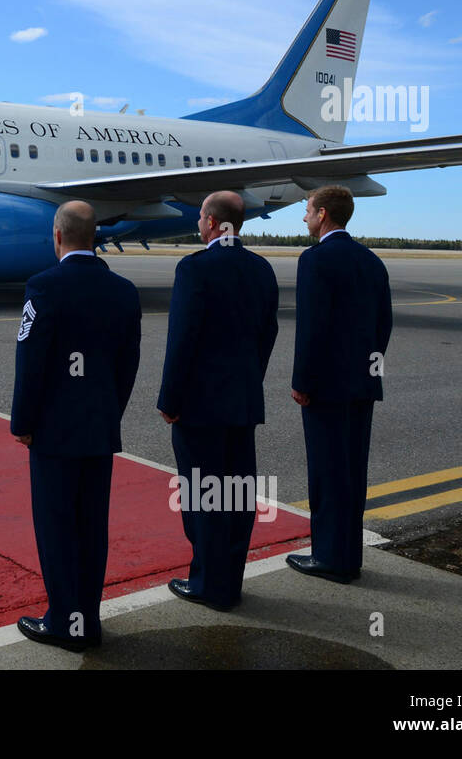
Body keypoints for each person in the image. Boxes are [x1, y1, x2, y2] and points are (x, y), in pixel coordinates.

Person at [10, 200, 141, 652]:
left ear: (58, 236)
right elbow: (127, 367)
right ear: (95, 236)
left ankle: (65, 623)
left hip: (54, 433)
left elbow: (31, 363)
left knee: (57, 528)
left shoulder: (44, 287)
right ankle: (87, 618)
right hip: (99, 430)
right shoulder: (124, 291)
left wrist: (23, 423)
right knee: (91, 529)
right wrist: (108, 412)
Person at [156, 191, 278, 611]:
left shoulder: (195, 268)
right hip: (242, 403)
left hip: (200, 406)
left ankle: (208, 583)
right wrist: (248, 380)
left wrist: (170, 398)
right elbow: (268, 335)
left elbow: (182, 340)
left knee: (205, 496)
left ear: (210, 222)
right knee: (238, 496)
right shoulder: (262, 269)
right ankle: (230, 581)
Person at [287, 185, 392, 583]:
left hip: (327, 389)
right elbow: (383, 326)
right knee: (351, 473)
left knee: (327, 473)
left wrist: (302, 381)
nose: (305, 217)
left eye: (308, 211)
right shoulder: (372, 261)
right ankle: (348, 556)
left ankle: (329, 558)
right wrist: (370, 371)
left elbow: (311, 329)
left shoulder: (315, 260)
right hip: (362, 385)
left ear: (324, 214)